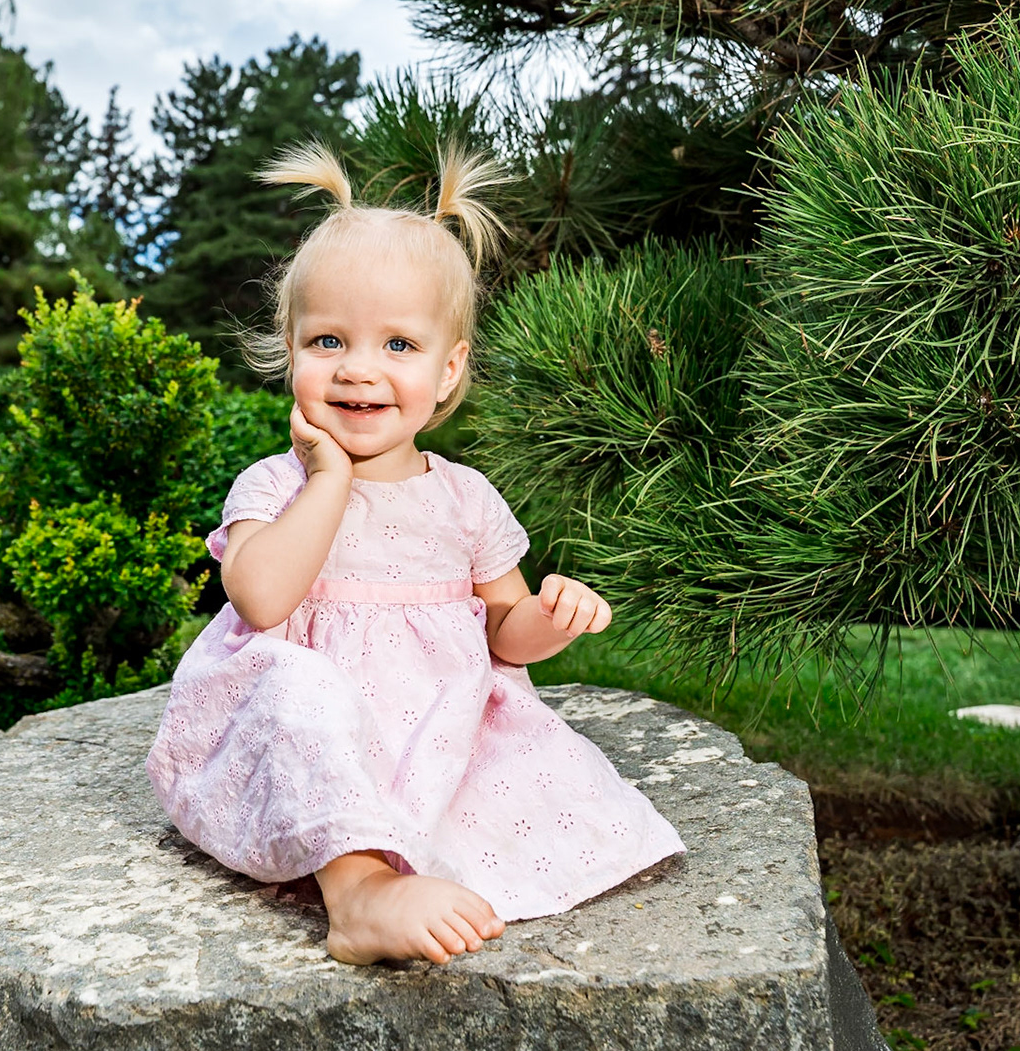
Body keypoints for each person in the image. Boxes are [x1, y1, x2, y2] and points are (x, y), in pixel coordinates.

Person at [145, 142, 684, 966]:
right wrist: (328, 479)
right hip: (297, 739)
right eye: (328, 341)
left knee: (523, 763)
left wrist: (550, 618)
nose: (359, 370)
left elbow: (504, 631)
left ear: (449, 367)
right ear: (290, 349)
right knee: (299, 689)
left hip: (432, 733)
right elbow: (260, 599)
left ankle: (407, 857)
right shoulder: (276, 484)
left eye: (399, 345)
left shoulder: (464, 498)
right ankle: (359, 893)